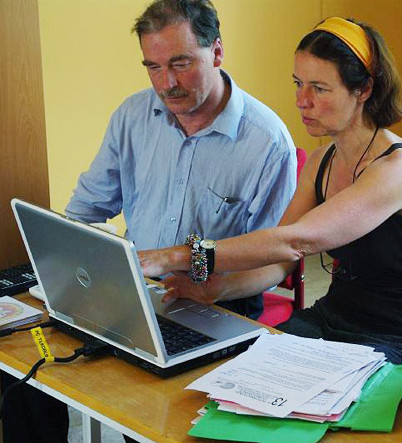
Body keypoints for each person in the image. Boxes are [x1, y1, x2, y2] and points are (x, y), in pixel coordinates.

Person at [1, 1, 296, 442]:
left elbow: (273, 260)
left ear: (216, 52)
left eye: (181, 63)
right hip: (132, 290)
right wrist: (72, 265)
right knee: (24, 373)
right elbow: (85, 209)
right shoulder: (133, 116)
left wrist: (200, 276)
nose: (168, 83)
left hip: (216, 303)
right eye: (153, 67)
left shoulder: (266, 142)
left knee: (149, 418)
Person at [139, 17, 402, 365]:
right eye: (299, 84)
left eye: (319, 88)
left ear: (364, 90)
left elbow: (295, 240)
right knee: (236, 378)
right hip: (330, 320)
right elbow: (282, 260)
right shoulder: (322, 160)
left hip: (399, 339)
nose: (302, 100)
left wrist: (176, 256)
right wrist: (218, 289)